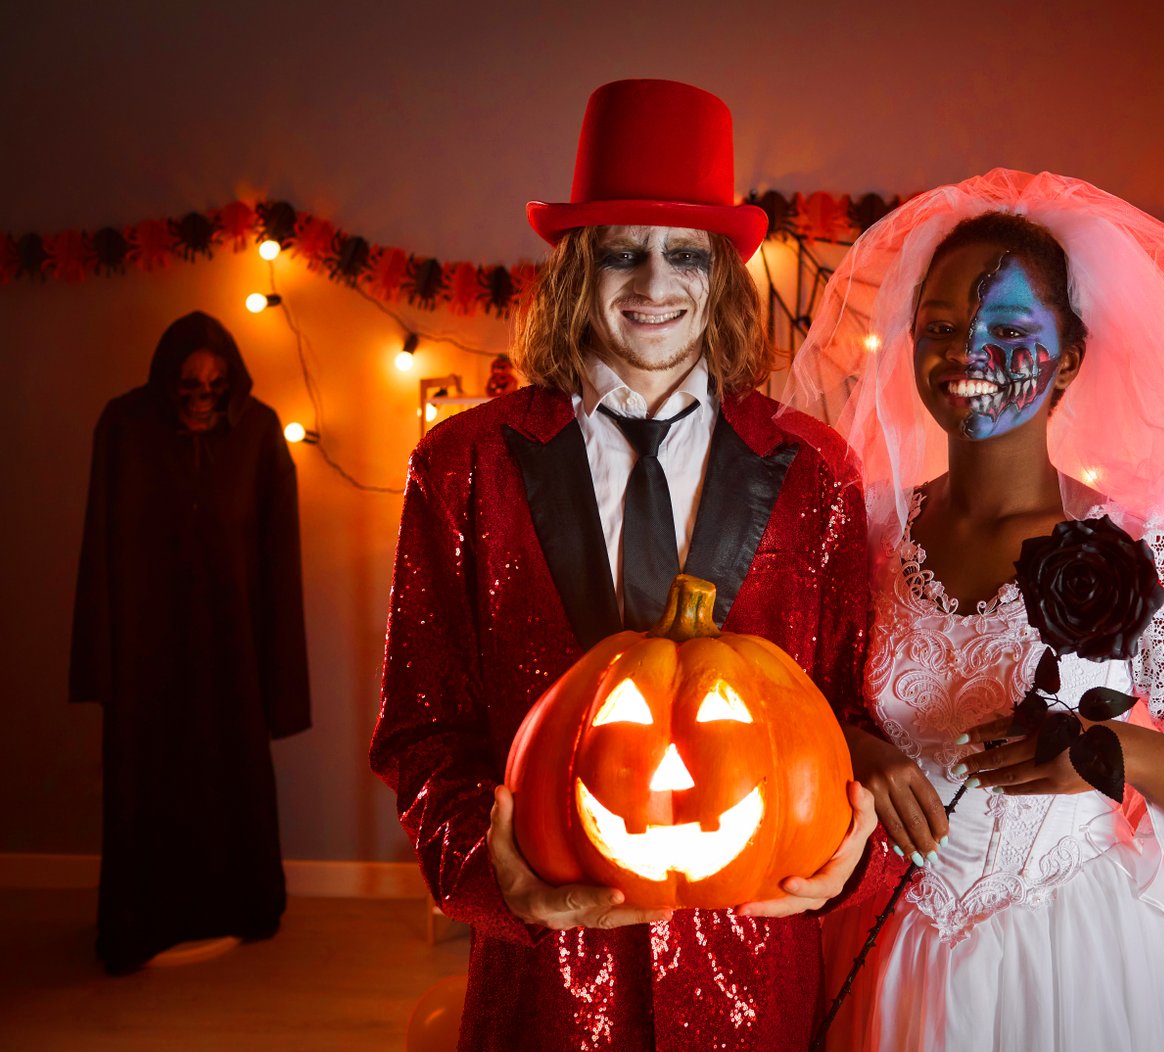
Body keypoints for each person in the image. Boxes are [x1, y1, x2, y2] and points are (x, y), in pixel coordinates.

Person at [369, 79, 890, 1052]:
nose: (654, 283)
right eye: (623, 252)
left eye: (685, 253)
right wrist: (491, 875)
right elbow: (421, 725)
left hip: (753, 962)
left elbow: (854, 711)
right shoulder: (462, 466)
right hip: (549, 976)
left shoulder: (815, 469)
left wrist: (855, 852)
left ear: (724, 274)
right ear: (576, 268)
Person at [785, 170, 1164, 1050]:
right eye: (940, 328)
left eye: (1009, 330)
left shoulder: (1134, 547)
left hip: (1085, 954)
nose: (968, 353)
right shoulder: (863, 535)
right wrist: (858, 749)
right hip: (891, 946)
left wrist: (1114, 753)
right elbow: (789, 703)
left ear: (1070, 360)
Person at [71, 310, 310, 974]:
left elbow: (277, 557)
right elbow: (100, 548)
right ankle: (141, 922)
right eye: (189, 387)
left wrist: (277, 674)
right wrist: (102, 660)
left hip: (232, 648)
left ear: (231, 386)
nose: (203, 398)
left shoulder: (260, 432)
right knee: (144, 784)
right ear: (165, 385)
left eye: (215, 387)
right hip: (145, 649)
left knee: (229, 778)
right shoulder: (122, 427)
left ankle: (242, 905)